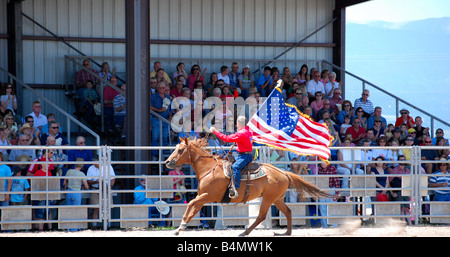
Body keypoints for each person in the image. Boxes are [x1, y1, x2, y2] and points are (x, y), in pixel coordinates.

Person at [210, 116, 252, 199]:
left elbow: (227, 139)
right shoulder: (247, 131)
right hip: (245, 155)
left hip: (244, 156)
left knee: (235, 167)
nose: (236, 125)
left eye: (237, 123)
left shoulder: (241, 133)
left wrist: (215, 131)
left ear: (239, 124)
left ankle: (235, 188)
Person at [86, 156, 116, 228]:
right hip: (95, 188)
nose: (94, 164)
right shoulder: (91, 168)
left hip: (106, 188)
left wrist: (110, 187)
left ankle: (108, 225)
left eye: (95, 162)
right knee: (96, 208)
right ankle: (94, 226)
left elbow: (113, 178)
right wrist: (97, 181)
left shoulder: (108, 166)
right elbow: (89, 180)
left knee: (107, 207)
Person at [150, 81, 172, 158]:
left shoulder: (167, 97)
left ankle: (162, 155)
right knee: (155, 137)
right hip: (156, 119)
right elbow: (150, 107)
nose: (163, 89)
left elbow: (170, 109)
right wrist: (159, 110)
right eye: (162, 88)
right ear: (158, 88)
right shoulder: (153, 96)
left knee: (164, 138)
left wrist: (170, 118)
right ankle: (154, 155)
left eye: (164, 88)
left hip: (165, 120)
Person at [388, 155, 412, 225]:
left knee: (406, 208)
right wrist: (392, 193)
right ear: (398, 161)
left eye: (404, 159)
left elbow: (410, 182)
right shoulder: (394, 171)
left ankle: (409, 223)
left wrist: (410, 193)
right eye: (401, 159)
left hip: (405, 191)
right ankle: (404, 222)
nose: (402, 161)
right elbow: (388, 182)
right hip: (397, 191)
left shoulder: (407, 171)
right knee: (402, 208)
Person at [317, 161, 340, 228]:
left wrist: (337, 193)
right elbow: (319, 181)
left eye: (324, 162)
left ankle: (334, 225)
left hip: (330, 189)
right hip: (323, 189)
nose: (323, 163)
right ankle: (325, 225)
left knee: (332, 207)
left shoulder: (332, 168)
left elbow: (336, 181)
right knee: (322, 208)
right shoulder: (320, 169)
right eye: (321, 162)